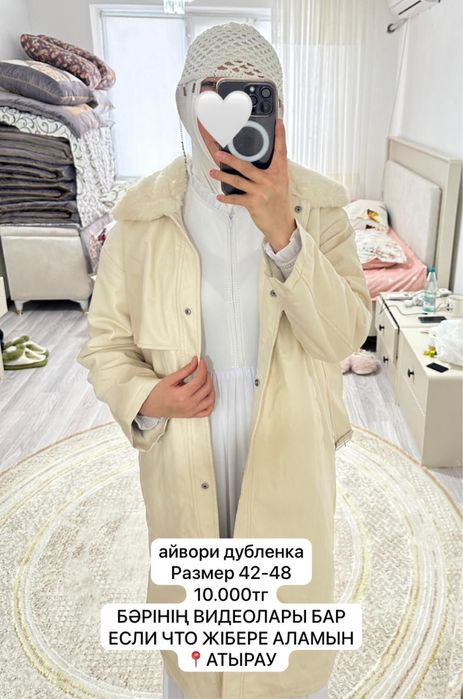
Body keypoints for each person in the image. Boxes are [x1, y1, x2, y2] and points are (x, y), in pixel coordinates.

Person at [77, 21, 372, 699]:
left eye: (250, 92)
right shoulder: (140, 218)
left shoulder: (319, 209)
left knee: (285, 624)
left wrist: (284, 231)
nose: (227, 111)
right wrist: (149, 398)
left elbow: (342, 337)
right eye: (211, 90)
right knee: (198, 624)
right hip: (187, 441)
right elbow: (105, 342)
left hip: (289, 436)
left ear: (274, 108)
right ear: (185, 103)